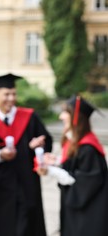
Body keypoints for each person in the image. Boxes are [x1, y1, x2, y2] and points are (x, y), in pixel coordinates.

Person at [0, 73, 53, 236]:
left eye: (14, 94)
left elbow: (47, 142)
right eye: (6, 94)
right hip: (1, 188)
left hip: (28, 185)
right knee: (3, 226)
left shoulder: (30, 117)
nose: (11, 98)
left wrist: (38, 148)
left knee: (29, 226)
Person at [36, 95, 108, 236]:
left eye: (65, 112)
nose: (61, 116)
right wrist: (57, 161)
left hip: (89, 213)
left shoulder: (89, 148)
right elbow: (74, 167)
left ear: (76, 117)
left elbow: (82, 182)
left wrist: (51, 170)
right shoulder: (76, 142)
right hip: (79, 211)